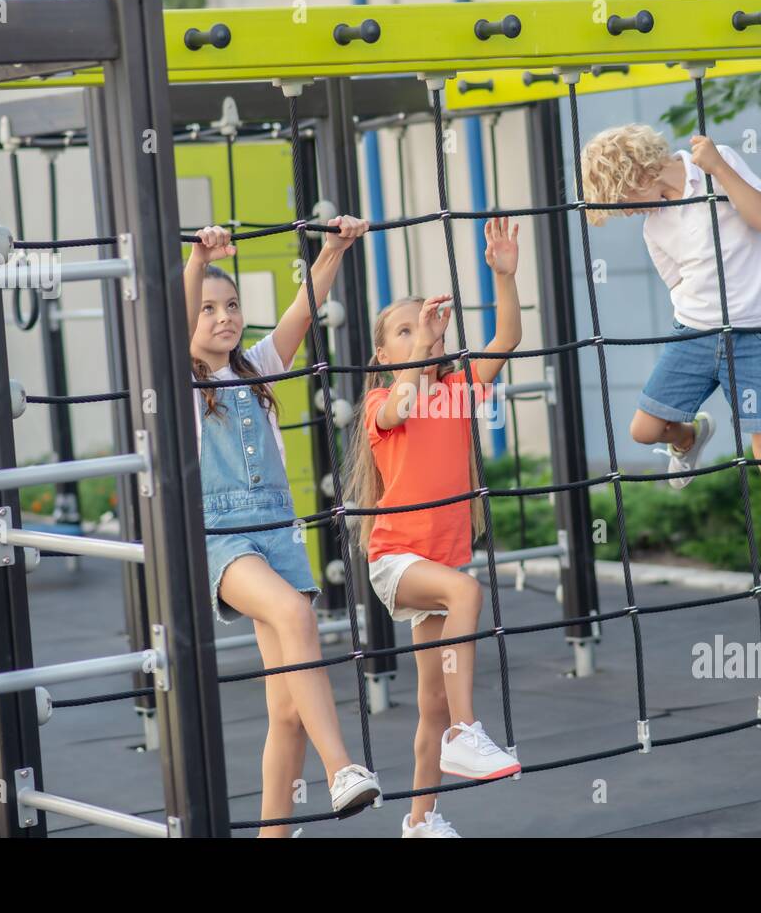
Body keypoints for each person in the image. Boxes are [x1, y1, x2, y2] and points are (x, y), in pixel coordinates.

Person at [186, 220, 380, 836]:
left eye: (232, 305)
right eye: (208, 308)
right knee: (297, 618)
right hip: (224, 539)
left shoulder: (258, 368)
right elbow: (169, 319)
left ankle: (273, 833)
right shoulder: (185, 384)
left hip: (279, 533)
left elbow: (305, 307)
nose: (223, 317)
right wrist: (198, 259)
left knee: (286, 713)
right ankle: (342, 767)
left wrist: (333, 249)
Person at [580, 123, 761, 611]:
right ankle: (689, 437)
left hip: (755, 335)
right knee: (644, 431)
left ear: (639, 172)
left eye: (623, 200)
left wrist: (718, 169)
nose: (627, 212)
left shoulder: (716, 164)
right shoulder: (655, 226)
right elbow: (678, 285)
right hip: (692, 333)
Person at [343, 217, 525, 838]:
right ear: (384, 355)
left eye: (425, 322)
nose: (420, 332)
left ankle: (420, 820)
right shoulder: (383, 404)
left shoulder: (453, 390)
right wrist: (421, 350)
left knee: (431, 701)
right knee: (469, 594)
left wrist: (504, 275)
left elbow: (506, 338)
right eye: (404, 329)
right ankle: (464, 734)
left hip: (439, 567)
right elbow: (403, 401)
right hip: (397, 562)